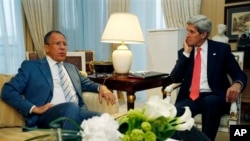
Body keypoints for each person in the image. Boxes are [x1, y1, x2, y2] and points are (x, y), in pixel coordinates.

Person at [1, 30, 116, 131]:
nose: (62, 47)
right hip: (47, 115)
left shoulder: (71, 68)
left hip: (77, 111)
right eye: (57, 44)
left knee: (106, 121)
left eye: (64, 44)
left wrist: (102, 87)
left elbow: (88, 84)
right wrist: (34, 108)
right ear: (46, 48)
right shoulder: (31, 67)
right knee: (71, 107)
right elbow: (7, 91)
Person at [170, 15, 247, 141]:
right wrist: (186, 54)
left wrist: (237, 84)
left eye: (192, 32)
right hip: (191, 97)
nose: (187, 35)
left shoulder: (221, 49)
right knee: (174, 112)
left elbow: (239, 74)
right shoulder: (184, 52)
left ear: (203, 34)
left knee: (210, 102)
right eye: (187, 30)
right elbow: (175, 78)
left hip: (214, 96)